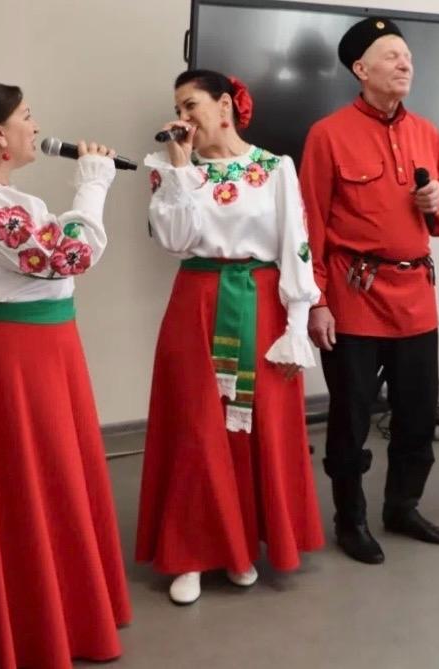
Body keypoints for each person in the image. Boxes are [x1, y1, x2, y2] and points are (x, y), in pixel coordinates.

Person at [0, 82, 131, 668]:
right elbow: (67, 257)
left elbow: (51, 253)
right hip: (10, 360)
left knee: (51, 479)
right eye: (27, 117)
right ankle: (28, 621)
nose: (36, 127)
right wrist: (92, 185)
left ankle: (58, 609)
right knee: (26, 484)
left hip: (37, 353)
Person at [135, 70, 324, 605]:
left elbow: (296, 245)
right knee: (195, 425)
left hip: (260, 303)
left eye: (191, 104)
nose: (183, 117)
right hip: (197, 303)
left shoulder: (274, 168)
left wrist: (296, 326)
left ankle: (243, 547)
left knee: (257, 426)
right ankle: (192, 553)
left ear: (225, 106)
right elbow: (174, 241)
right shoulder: (171, 170)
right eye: (178, 108)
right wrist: (179, 169)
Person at [299, 17, 439, 564]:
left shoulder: (428, 133)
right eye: (391, 55)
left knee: (416, 413)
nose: (404, 62)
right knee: (350, 418)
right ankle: (351, 519)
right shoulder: (327, 134)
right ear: (360, 69)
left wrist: (438, 205)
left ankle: (402, 507)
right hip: (355, 294)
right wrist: (317, 300)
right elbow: (311, 223)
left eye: (407, 55)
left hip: (416, 295)